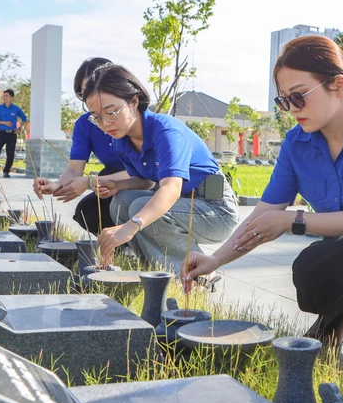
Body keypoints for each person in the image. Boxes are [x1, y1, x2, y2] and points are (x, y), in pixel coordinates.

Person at [182, 35, 343, 363]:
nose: (291, 110)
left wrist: (292, 220)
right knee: (308, 267)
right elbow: (262, 216)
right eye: (285, 101)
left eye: (299, 97)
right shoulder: (296, 144)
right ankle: (337, 317)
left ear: (338, 84)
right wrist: (215, 261)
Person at [80, 64, 238, 272]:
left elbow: (170, 188)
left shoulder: (166, 131)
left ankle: (194, 276)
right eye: (96, 117)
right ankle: (152, 270)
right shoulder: (121, 139)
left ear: (134, 101)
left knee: (139, 210)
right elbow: (146, 181)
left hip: (215, 210)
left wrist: (130, 227)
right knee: (121, 202)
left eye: (111, 112)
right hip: (184, 204)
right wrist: (118, 184)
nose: (105, 123)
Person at [32, 57, 130, 234]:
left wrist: (90, 181)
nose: (90, 97)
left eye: (95, 88)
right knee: (87, 211)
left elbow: (145, 173)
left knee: (120, 196)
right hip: (110, 183)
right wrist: (56, 185)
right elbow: (74, 169)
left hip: (144, 183)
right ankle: (117, 250)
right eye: (85, 92)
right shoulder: (86, 124)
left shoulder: (129, 117)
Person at [0, 89, 27, 178]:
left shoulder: (16, 109)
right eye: (4, 96)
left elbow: (24, 119)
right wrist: (4, 123)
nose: (4, 97)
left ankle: (6, 171)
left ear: (11, 97)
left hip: (11, 134)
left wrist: (19, 128)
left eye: (6, 96)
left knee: (10, 153)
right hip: (1, 133)